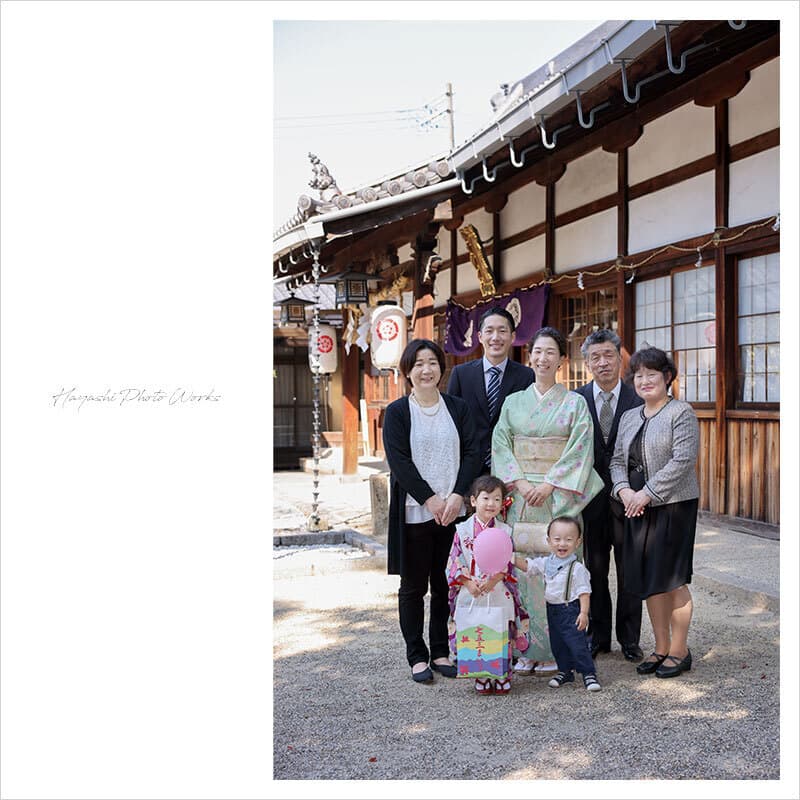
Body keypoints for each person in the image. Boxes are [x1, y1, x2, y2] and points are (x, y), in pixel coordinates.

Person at [492, 326, 603, 675]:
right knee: (524, 570)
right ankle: (525, 648)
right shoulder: (513, 403)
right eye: (537, 351)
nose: (542, 358)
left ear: (562, 360)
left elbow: (581, 450)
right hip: (522, 496)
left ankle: (560, 652)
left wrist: (551, 484)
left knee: (562, 574)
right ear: (530, 357)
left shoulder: (574, 403)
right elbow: (501, 444)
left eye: (550, 352)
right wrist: (521, 483)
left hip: (558, 501)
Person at [383, 339, 482, 684]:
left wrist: (457, 496)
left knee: (445, 583)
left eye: (432, 363)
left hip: (453, 510)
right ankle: (416, 655)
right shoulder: (397, 412)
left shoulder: (457, 407)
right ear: (408, 372)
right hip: (415, 512)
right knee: (413, 586)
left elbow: (473, 452)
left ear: (442, 368)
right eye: (418, 364)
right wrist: (431, 499)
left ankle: (440, 650)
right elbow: (400, 463)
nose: (426, 370)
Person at [609, 347, 700, 679]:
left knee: (672, 579)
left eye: (651, 374)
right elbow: (617, 461)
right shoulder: (631, 416)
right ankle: (660, 647)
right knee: (650, 580)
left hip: (672, 506)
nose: (644, 380)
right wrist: (624, 491)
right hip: (635, 506)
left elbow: (683, 460)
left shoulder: (681, 412)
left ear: (667, 377)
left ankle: (680, 650)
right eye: (638, 375)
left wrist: (646, 494)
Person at [574, 330, 644, 662]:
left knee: (630, 570)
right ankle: (598, 636)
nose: (603, 363)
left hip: (629, 500)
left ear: (620, 358)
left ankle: (629, 639)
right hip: (590, 501)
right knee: (595, 569)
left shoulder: (638, 399)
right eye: (595, 357)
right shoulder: (575, 401)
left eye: (609, 356)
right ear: (586, 363)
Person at [446, 475, 530, 695]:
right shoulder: (462, 531)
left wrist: (494, 579)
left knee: (500, 630)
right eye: (486, 498)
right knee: (476, 631)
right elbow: (454, 561)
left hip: (498, 587)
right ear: (473, 501)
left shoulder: (505, 530)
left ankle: (502, 674)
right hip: (470, 588)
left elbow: (508, 560)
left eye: (497, 499)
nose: (491, 504)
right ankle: (481, 675)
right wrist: (467, 582)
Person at [514, 516, 601, 691]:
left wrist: (584, 613)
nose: (562, 544)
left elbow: (584, 592)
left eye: (568, 540)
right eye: (557, 539)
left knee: (577, 643)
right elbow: (529, 566)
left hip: (571, 610)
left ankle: (588, 673)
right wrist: (510, 558)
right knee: (558, 642)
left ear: (578, 542)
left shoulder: (577, 568)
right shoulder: (547, 563)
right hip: (552, 609)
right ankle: (565, 671)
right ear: (548, 541)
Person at [446, 306, 535, 474]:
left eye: (502, 331)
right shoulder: (461, 374)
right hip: (468, 467)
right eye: (489, 331)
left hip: (512, 467)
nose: (496, 337)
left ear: (513, 337)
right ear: (480, 336)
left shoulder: (526, 376)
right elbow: (451, 421)